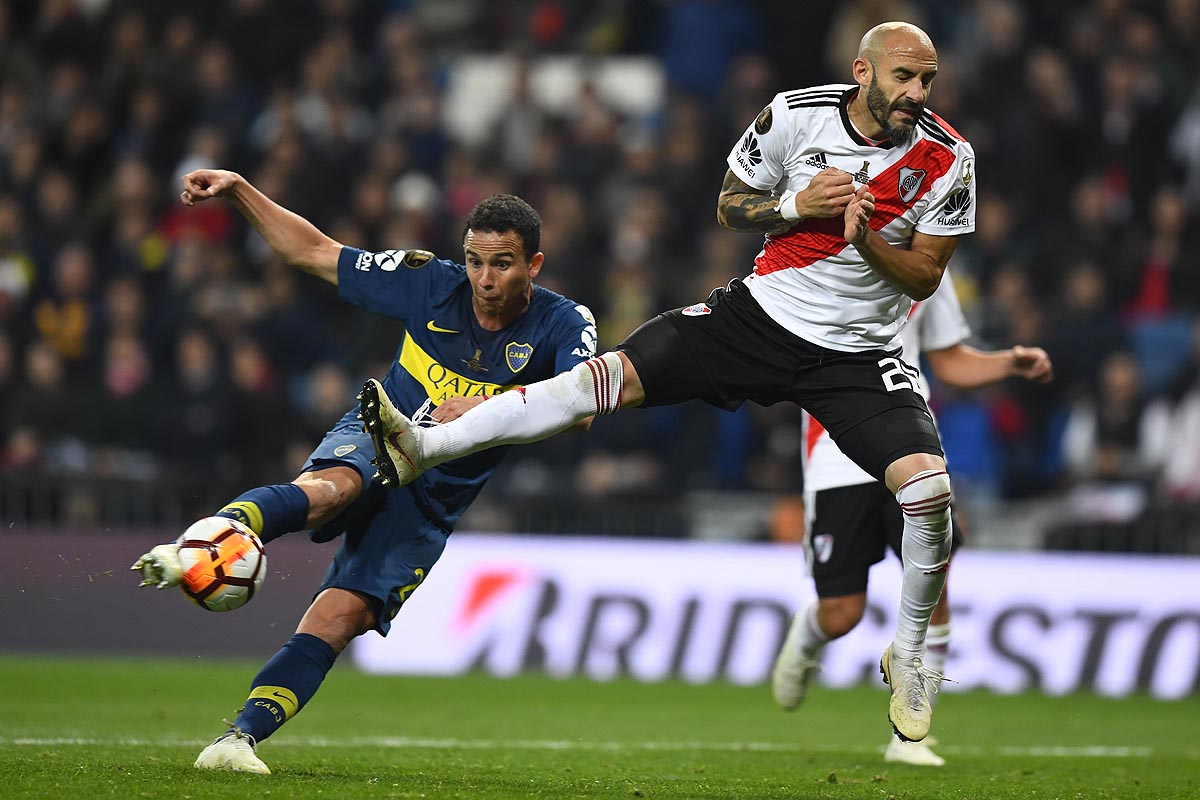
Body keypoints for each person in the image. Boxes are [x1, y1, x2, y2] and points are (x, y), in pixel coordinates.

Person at [361, 21, 974, 744]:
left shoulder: (949, 157)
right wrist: (797, 207)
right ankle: (427, 446)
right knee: (604, 378)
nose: (917, 92)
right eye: (904, 77)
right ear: (862, 72)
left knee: (929, 490)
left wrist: (862, 234)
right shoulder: (794, 113)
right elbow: (731, 204)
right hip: (759, 318)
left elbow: (924, 275)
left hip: (857, 354)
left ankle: (910, 656)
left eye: (926, 79)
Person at [131, 170, 598, 774]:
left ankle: (236, 741)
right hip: (380, 434)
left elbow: (582, 409)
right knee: (333, 489)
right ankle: (201, 544)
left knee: (340, 616)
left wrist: (486, 407)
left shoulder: (564, 322)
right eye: (475, 262)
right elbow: (312, 251)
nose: (485, 280)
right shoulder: (429, 282)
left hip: (433, 498)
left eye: (502, 265)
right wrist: (240, 188)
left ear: (533, 264)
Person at [771, 267, 1052, 766]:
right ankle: (809, 632)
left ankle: (909, 739)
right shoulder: (822, 258)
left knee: (935, 594)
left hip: (911, 449)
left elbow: (949, 359)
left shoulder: (928, 268)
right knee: (843, 613)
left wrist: (1009, 362)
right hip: (835, 455)